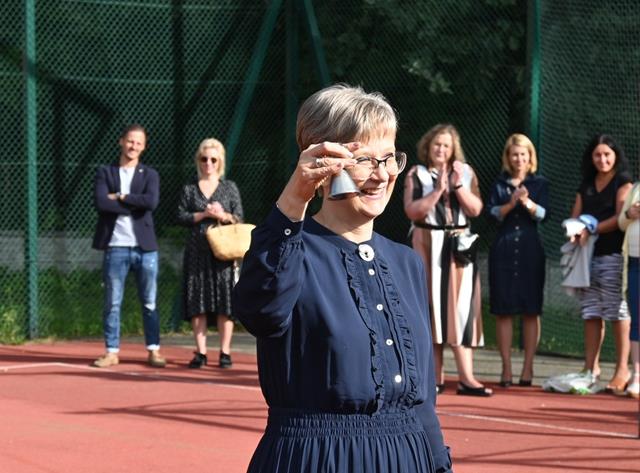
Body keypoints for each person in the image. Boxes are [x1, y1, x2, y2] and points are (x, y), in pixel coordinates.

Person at [232, 84, 452, 472]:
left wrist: (439, 465)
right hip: (316, 460)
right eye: (364, 160)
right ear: (322, 161)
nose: (381, 175)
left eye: (389, 158)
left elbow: (422, 401)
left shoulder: (406, 262)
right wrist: (293, 200)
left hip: (407, 458)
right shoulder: (287, 251)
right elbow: (259, 312)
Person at [403, 124, 491, 397]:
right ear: (428, 147)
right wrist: (438, 191)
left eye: (446, 145)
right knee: (431, 306)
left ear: (454, 150)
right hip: (428, 244)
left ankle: (467, 378)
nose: (441, 150)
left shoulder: (465, 172)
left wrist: (457, 186)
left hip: (459, 246)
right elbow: (412, 211)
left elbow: (475, 209)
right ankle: (435, 377)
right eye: (437, 144)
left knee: (461, 307)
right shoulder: (416, 174)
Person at [92, 124, 166, 368]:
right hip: (115, 247)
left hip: (146, 249)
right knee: (112, 302)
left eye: (139, 143)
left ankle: (154, 350)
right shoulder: (105, 172)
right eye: (130, 141)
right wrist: (136, 204)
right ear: (121, 141)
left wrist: (121, 197)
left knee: (149, 302)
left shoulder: (150, 174)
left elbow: (151, 202)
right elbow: (102, 203)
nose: (134, 146)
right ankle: (111, 351)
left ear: (144, 147)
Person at [569, 134, 632, 392]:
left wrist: (591, 229)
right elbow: (575, 216)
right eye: (598, 154)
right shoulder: (586, 184)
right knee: (591, 312)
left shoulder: (623, 182)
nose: (602, 159)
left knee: (617, 312)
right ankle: (590, 369)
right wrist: (575, 231)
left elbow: (620, 218)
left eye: (607, 154)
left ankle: (622, 370)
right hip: (587, 258)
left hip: (613, 255)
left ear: (615, 155)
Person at [487, 134, 548, 387]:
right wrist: (511, 203)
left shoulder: (540, 183)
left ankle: (528, 369)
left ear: (530, 156)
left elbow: (544, 214)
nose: (519, 158)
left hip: (530, 251)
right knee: (503, 311)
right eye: (514, 154)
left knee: (531, 310)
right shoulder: (499, 183)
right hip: (503, 251)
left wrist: (527, 202)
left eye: (523, 154)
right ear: (508, 157)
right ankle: (506, 369)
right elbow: (491, 213)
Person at [177, 138, 244, 369]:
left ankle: (225, 352)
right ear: (198, 160)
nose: (208, 163)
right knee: (198, 299)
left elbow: (239, 217)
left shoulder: (229, 187)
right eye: (204, 159)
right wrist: (203, 215)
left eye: (213, 160)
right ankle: (201, 352)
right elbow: (180, 215)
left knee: (226, 300)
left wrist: (222, 215)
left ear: (220, 162)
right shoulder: (189, 188)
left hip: (223, 253)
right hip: (197, 251)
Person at [618, 178, 640, 398]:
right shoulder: (636, 189)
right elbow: (621, 223)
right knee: (637, 320)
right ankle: (637, 376)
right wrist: (629, 213)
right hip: (634, 262)